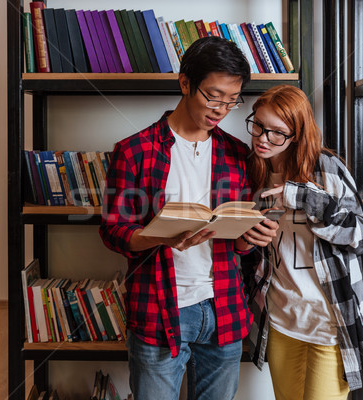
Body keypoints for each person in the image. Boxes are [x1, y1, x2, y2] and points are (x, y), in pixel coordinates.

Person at [99, 36, 277, 400]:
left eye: (231, 101)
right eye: (212, 96)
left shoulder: (238, 154)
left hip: (225, 310)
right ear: (185, 83)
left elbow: (237, 244)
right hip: (159, 310)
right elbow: (113, 231)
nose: (221, 110)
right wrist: (158, 238)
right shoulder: (134, 151)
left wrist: (250, 237)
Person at [240, 85, 363, 400]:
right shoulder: (254, 171)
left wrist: (300, 196)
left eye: (277, 132)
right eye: (258, 125)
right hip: (280, 318)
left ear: (297, 135)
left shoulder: (326, 169)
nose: (262, 138)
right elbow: (254, 254)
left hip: (329, 323)